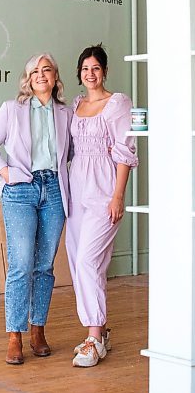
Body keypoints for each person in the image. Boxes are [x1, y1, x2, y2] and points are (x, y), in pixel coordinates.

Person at [0, 53, 72, 365]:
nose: (41, 75)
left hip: (55, 190)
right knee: (21, 263)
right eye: (35, 71)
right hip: (20, 189)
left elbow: (72, 152)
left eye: (47, 70)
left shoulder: (65, 112)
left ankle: (38, 330)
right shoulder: (11, 109)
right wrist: (4, 173)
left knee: (44, 265)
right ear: (28, 79)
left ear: (55, 77)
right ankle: (14, 336)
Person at [66, 43, 138, 368]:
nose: (90, 74)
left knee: (87, 261)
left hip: (104, 192)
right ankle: (98, 332)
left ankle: (94, 338)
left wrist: (119, 195)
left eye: (96, 68)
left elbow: (126, 149)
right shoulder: (76, 104)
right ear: (79, 73)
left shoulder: (118, 103)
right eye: (85, 69)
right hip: (75, 191)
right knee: (77, 262)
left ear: (105, 71)